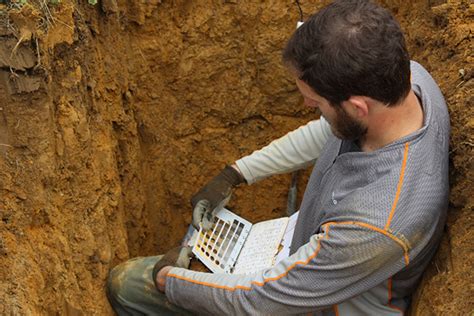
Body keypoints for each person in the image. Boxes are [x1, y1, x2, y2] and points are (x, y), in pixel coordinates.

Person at [106, 0, 450, 314]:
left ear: (358, 106)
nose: (307, 107)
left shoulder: (377, 222)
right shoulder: (408, 81)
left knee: (127, 285)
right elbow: (326, 132)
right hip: (310, 250)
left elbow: (257, 300)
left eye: (316, 103)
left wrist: (170, 279)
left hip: (323, 305)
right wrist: (236, 173)